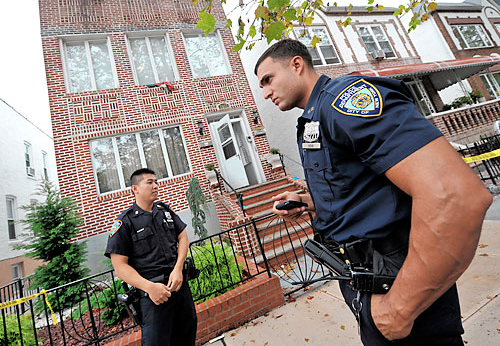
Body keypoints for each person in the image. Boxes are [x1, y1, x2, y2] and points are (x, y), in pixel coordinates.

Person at [254, 39, 492, 345]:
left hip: (395, 277)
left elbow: (456, 197)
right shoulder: (315, 116)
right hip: (365, 278)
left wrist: (399, 309)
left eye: (268, 79)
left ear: (297, 65)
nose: (265, 93)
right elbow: (363, 189)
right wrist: (308, 202)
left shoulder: (343, 101)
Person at [105, 168, 197, 346]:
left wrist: (178, 269)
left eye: (156, 181)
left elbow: (183, 237)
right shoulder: (125, 222)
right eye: (149, 182)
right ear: (135, 188)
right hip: (153, 297)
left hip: (180, 288)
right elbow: (120, 266)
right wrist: (149, 287)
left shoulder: (165, 211)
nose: (155, 185)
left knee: (187, 336)